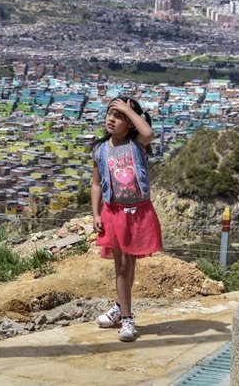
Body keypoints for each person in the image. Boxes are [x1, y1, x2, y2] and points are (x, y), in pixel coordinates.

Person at [90, 97, 162, 341]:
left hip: (137, 212)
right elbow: (96, 183)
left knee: (129, 265)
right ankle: (127, 317)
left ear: (131, 122)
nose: (112, 118)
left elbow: (148, 132)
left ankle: (121, 309)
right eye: (110, 113)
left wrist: (128, 110)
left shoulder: (137, 145)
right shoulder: (101, 150)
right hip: (114, 212)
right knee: (122, 265)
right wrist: (96, 213)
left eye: (119, 115)